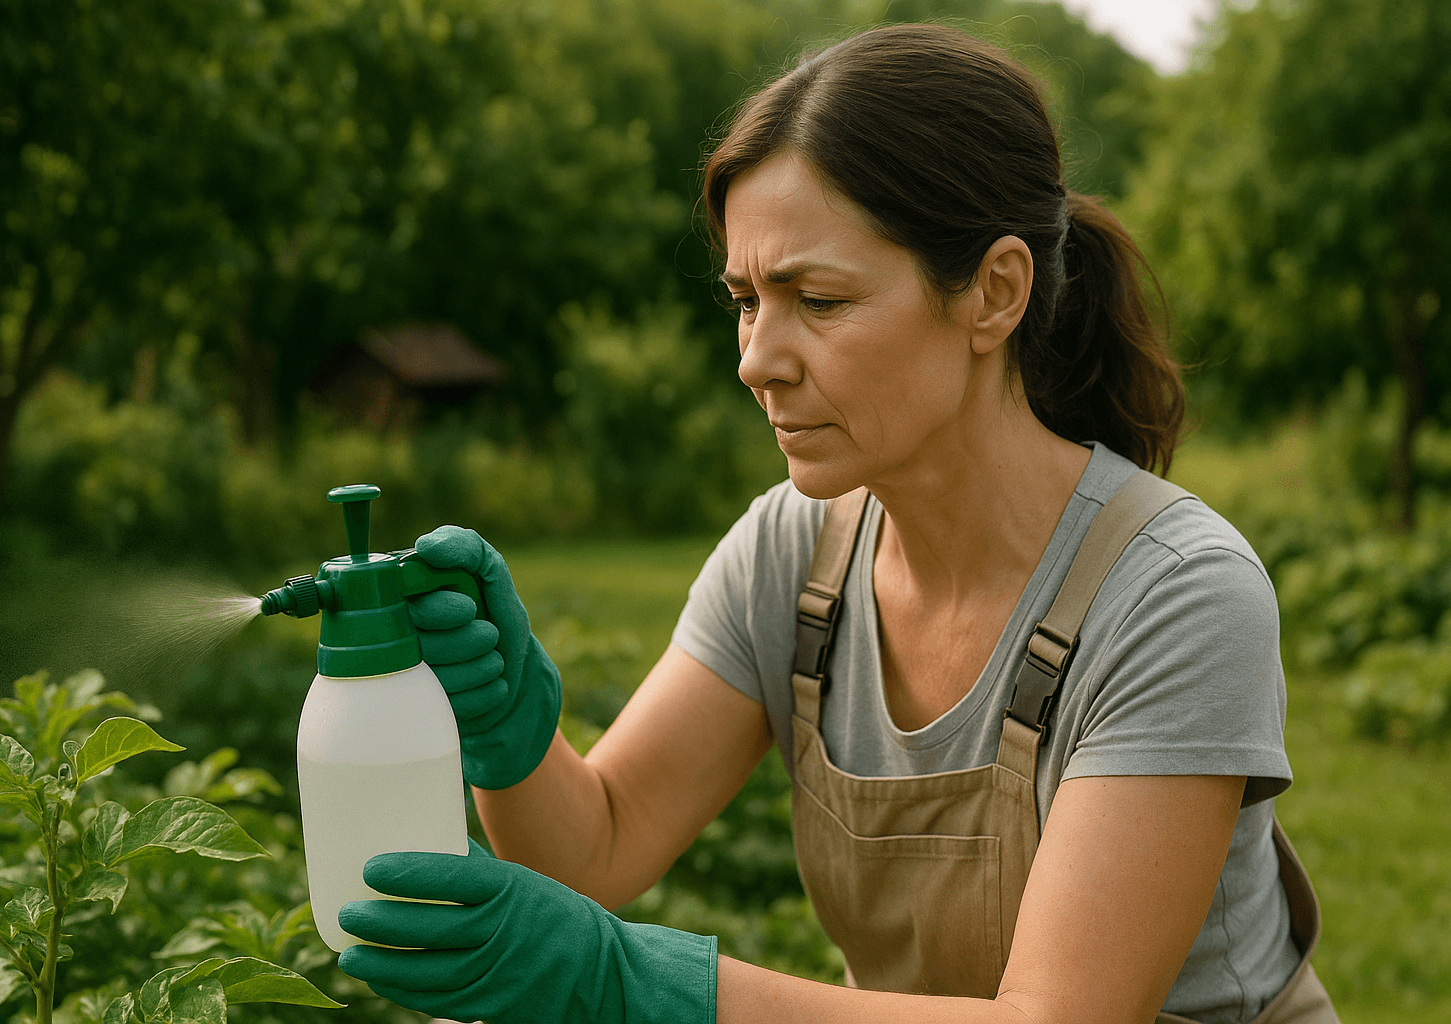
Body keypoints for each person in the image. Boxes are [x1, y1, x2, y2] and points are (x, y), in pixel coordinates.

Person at [334, 23, 1340, 1024]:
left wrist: (638, 985)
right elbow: (597, 846)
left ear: (993, 294)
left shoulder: (1174, 592)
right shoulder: (792, 553)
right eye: (744, 301)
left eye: (816, 300)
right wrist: (510, 735)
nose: (756, 359)